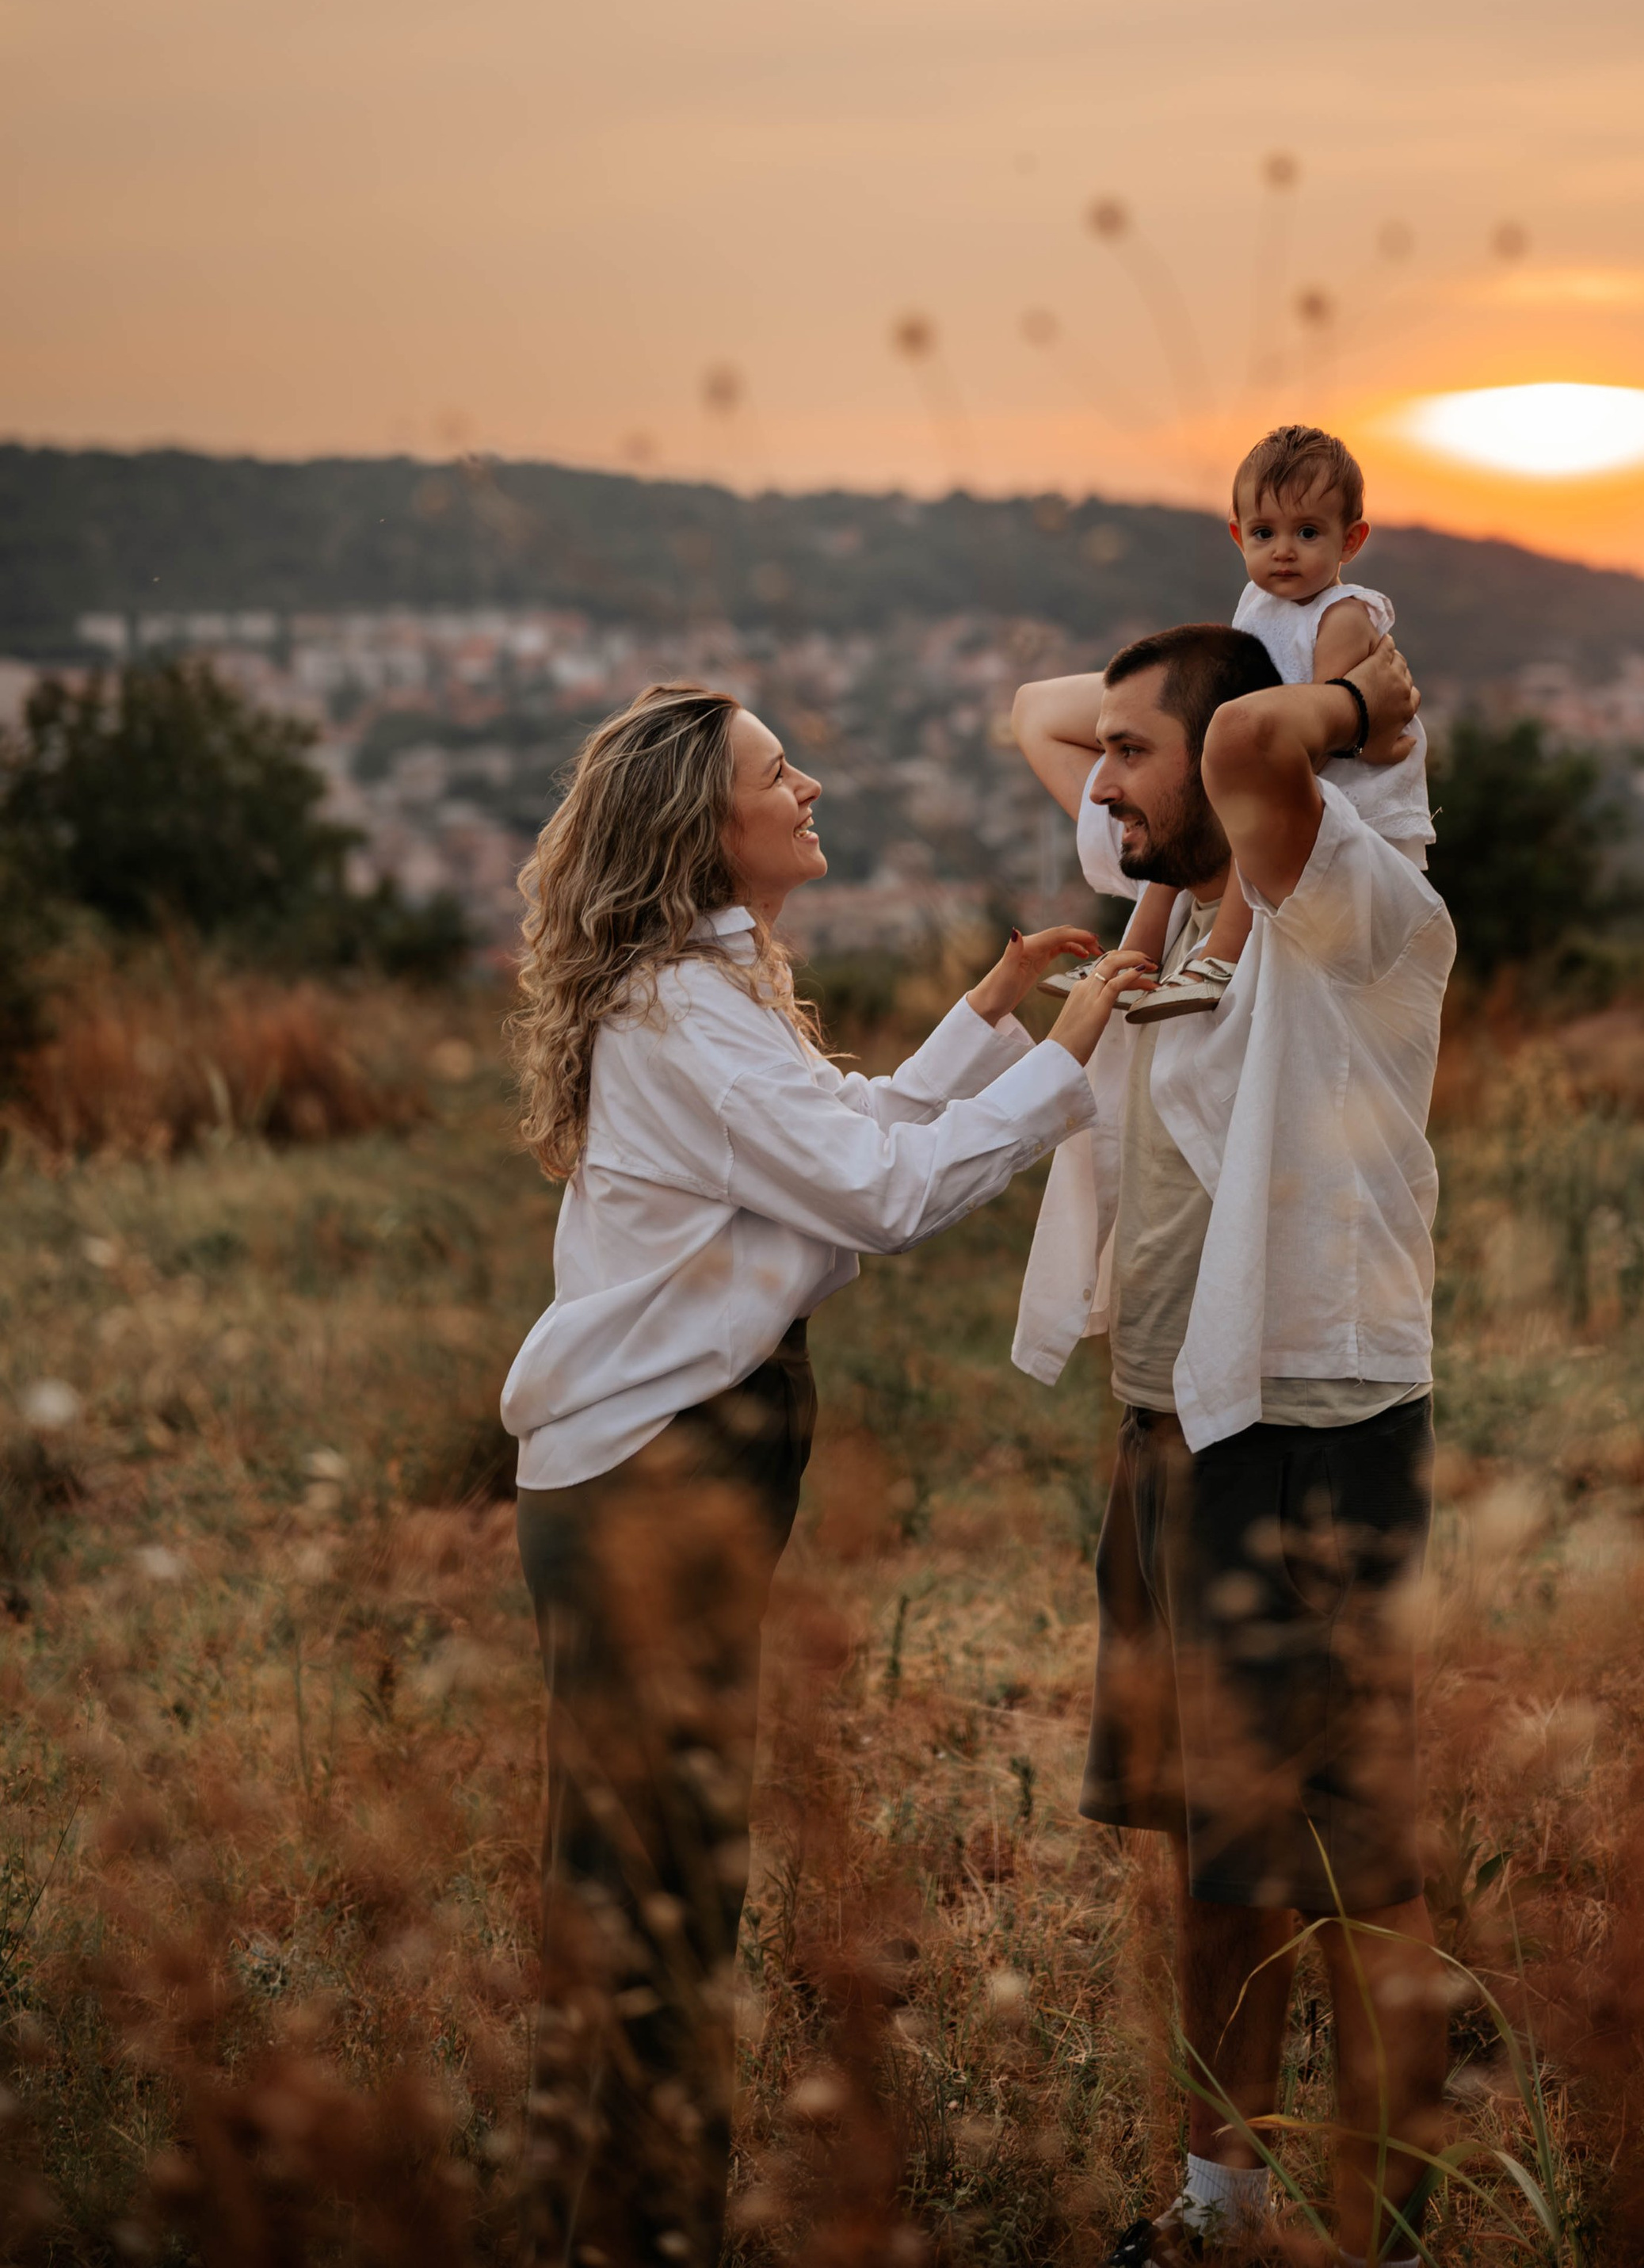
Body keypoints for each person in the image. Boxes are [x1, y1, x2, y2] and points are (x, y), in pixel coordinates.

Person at [500, 682, 1148, 2266]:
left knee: (653, 1866)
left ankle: (616, 2212)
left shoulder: (706, 993)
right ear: (703, 831)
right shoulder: (678, 1015)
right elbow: (876, 1191)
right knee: (658, 1879)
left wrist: (984, 1012)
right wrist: (1063, 1054)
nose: (809, 788)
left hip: (671, 1468)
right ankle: (636, 2229)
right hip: (652, 1480)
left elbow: (835, 1132)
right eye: (776, 775)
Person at [1009, 623, 1454, 2266]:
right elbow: (1035, 710)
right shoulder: (1173, 901)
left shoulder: (1336, 903)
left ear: (1228, 764)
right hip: (1173, 1428)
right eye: (1111, 754)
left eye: (1135, 753)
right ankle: (1217, 2208)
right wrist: (1185, 694)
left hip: (1304, 1432)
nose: (1095, 777)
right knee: (1212, 1846)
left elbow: (1262, 747)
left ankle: (1387, 2227)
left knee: (1346, 1857)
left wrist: (1353, 697)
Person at [1048, 422, 1433, 1025]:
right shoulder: (1257, 605)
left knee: (1238, 832)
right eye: (1264, 532)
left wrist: (1233, 779)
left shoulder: (1343, 617)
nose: (1284, 549)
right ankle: (1133, 959)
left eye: (1308, 532)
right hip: (1260, 764)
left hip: (1333, 790)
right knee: (1174, 853)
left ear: (1350, 540)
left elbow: (1321, 730)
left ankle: (1218, 957)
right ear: (1238, 534)